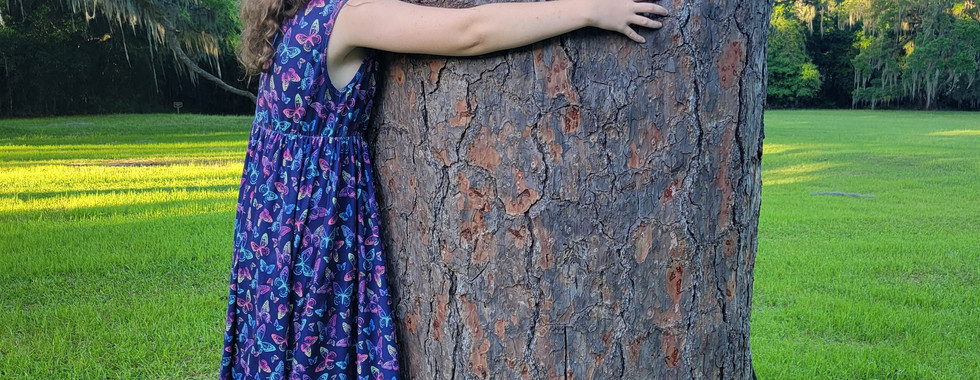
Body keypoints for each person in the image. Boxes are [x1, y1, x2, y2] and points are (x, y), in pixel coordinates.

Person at [220, 0, 668, 378]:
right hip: (312, 238)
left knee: (277, 347)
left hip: (270, 234)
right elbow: (468, 31)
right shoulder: (347, 17)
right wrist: (588, 10)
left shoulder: (289, 22)